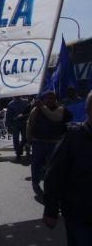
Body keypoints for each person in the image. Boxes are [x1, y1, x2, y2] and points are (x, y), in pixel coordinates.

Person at [43, 91, 92, 246]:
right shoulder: (73, 137)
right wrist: (51, 211)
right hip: (81, 213)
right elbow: (54, 174)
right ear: (89, 110)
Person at [26, 90, 72, 195]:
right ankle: (35, 183)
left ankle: (53, 186)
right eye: (48, 98)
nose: (50, 100)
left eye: (52, 98)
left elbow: (55, 118)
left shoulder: (60, 109)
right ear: (43, 99)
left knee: (54, 167)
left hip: (54, 143)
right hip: (38, 142)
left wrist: (42, 107)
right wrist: (28, 141)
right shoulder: (36, 110)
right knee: (36, 165)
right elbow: (30, 125)